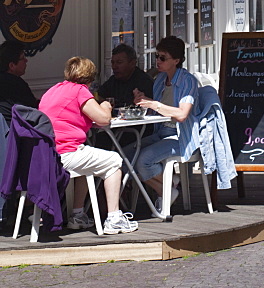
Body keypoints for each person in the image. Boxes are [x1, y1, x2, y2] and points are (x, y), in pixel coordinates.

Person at [39, 57, 138, 234]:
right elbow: (103, 119)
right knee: (114, 160)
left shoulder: (54, 90)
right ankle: (114, 218)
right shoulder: (79, 90)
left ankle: (78, 215)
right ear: (90, 78)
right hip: (66, 153)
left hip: (47, 154)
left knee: (89, 161)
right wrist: (106, 105)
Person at [134, 36, 200, 215]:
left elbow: (181, 114)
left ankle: (166, 189)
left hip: (181, 136)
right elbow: (159, 112)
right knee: (126, 157)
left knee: (143, 160)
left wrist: (154, 104)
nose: (158, 61)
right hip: (161, 132)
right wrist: (143, 103)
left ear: (176, 60)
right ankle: (168, 186)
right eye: (157, 56)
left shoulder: (187, 81)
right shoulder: (160, 79)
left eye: (163, 58)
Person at [0, 41, 38, 125]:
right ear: (12, 66)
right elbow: (33, 112)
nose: (26, 60)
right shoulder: (17, 85)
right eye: (23, 57)